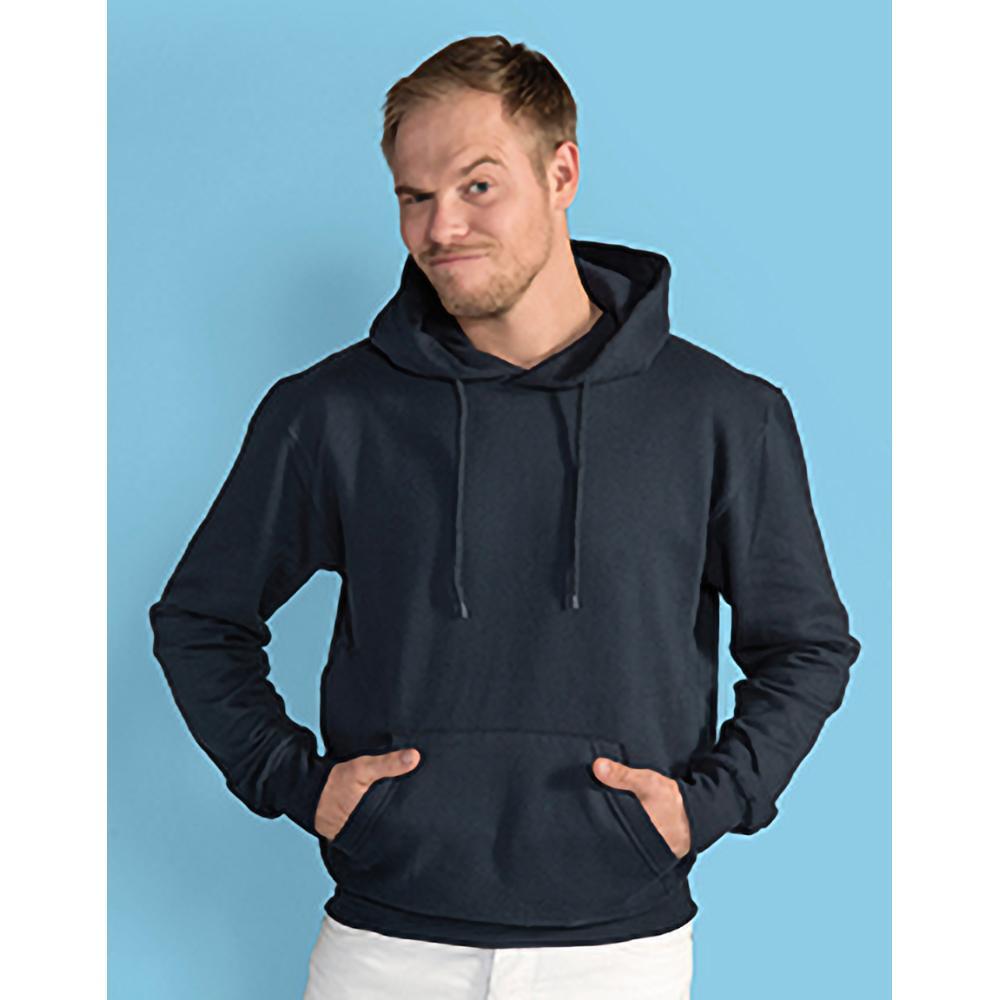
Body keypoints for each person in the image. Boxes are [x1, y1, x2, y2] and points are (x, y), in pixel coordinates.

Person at [148, 34, 862, 1000]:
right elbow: (199, 621)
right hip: (383, 950)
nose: (440, 226)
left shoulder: (722, 414)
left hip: (619, 954)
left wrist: (709, 805)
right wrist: (297, 784)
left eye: (477, 186)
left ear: (561, 173)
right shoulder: (331, 412)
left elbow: (807, 645)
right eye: (414, 196)